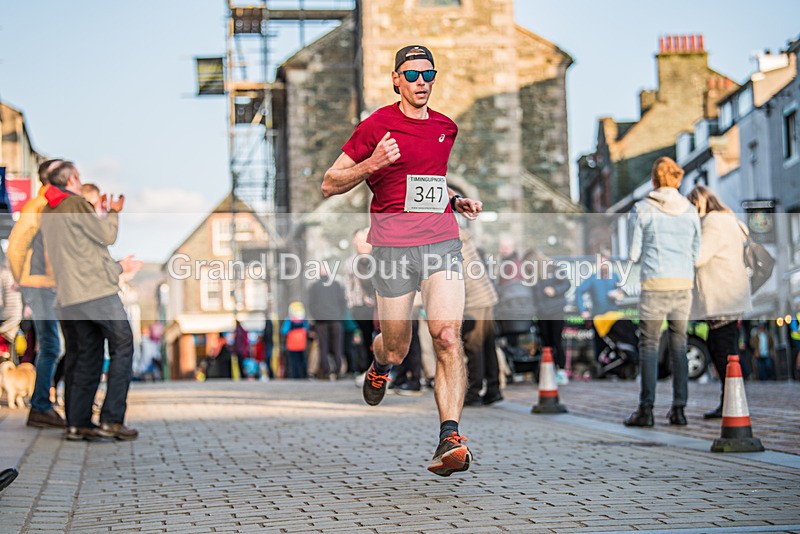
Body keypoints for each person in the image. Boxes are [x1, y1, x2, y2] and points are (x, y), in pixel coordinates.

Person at [322, 45, 482, 476]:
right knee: (397, 346)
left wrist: (453, 199)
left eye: (428, 73)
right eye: (412, 75)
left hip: (441, 242)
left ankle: (450, 435)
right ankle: (379, 364)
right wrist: (372, 162)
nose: (421, 82)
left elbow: (423, 183)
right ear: (396, 79)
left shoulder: (445, 127)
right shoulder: (376, 125)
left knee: (447, 335)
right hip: (392, 250)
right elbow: (329, 182)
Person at [39, 161, 142, 441]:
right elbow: (105, 237)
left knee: (86, 355)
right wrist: (111, 215)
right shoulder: (75, 204)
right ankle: (111, 419)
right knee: (123, 344)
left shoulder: (48, 210)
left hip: (67, 296)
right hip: (95, 292)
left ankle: (78, 423)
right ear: (72, 179)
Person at [624, 156, 700, 427]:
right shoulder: (691, 210)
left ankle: (646, 409)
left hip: (655, 284)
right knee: (680, 345)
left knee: (649, 346)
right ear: (677, 178)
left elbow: (633, 253)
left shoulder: (642, 208)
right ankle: (679, 409)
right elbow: (697, 253)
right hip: (683, 284)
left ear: (654, 180)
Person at [7, 159, 66, 429]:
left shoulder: (50, 206)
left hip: (46, 284)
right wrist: (23, 279)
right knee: (51, 345)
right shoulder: (38, 206)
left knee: (54, 345)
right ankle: (41, 406)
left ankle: (43, 403)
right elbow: (16, 245)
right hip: (38, 284)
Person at [686, 185, 751, 419]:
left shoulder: (713, 222)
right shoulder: (729, 220)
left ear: (700, 203)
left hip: (723, 298)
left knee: (722, 350)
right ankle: (729, 402)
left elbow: (699, 257)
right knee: (722, 348)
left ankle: (732, 405)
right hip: (730, 296)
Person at [461, 230, 501, 406]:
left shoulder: (449, 240)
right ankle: (493, 389)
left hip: (474, 301)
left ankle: (474, 392)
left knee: (474, 346)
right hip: (486, 297)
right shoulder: (461, 238)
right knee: (488, 344)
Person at [525, 249, 571, 385]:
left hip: (556, 310)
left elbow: (566, 283)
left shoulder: (554, 267)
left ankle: (561, 371)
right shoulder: (533, 275)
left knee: (557, 340)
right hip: (541, 312)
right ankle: (548, 370)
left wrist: (555, 290)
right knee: (545, 342)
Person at [575, 255, 622, 359]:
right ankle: (600, 368)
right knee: (599, 345)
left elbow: (620, 291)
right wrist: (582, 310)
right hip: (598, 317)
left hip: (613, 317)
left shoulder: (614, 276)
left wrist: (618, 295)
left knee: (616, 342)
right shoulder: (593, 278)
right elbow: (579, 291)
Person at [345, 228, 377, 374]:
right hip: (359, 306)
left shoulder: (379, 259)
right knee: (365, 339)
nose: (362, 244)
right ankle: (368, 369)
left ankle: (379, 369)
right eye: (358, 241)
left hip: (378, 306)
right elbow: (349, 286)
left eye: (364, 240)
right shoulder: (351, 262)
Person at [307, 264, 347, 380]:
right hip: (336, 320)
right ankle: (338, 371)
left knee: (323, 347)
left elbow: (311, 305)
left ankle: (326, 371)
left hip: (321, 321)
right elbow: (343, 302)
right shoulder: (336, 284)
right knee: (337, 346)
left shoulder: (314, 286)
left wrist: (316, 316)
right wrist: (340, 316)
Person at [281, 301, 309, 379]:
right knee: (302, 361)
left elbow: (284, 331)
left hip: (292, 345)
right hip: (301, 345)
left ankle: (295, 376)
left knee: (293, 362)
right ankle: (303, 376)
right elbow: (306, 330)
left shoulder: (289, 320)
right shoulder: (303, 321)